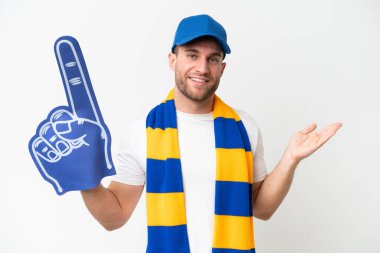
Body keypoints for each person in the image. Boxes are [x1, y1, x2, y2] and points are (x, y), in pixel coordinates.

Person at [80, 14, 342, 252]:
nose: (202, 68)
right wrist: (84, 178)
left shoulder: (244, 126)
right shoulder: (142, 131)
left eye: (212, 59)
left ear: (222, 68)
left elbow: (262, 209)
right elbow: (114, 218)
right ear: (173, 60)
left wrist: (290, 159)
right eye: (192, 55)